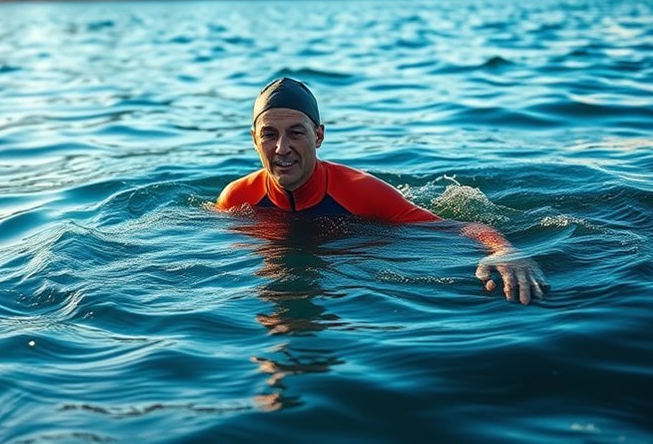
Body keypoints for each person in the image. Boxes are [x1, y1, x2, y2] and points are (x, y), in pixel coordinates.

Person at [217, 77, 548, 304]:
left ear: (318, 136)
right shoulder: (235, 198)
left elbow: (455, 228)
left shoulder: (363, 193)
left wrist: (504, 249)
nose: (281, 148)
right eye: (269, 134)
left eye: (296, 133)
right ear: (254, 139)